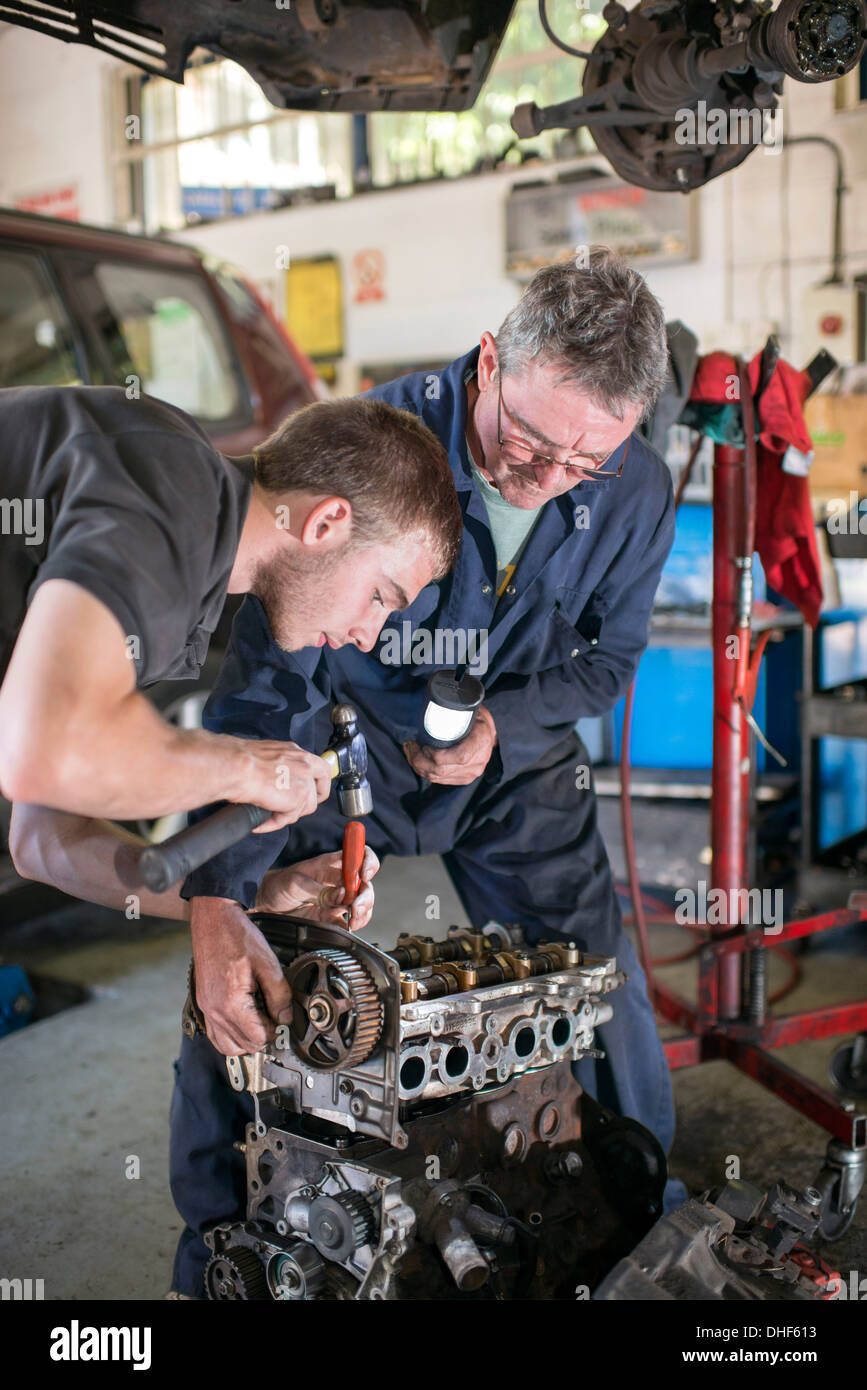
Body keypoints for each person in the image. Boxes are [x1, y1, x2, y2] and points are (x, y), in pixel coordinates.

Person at [169, 246, 686, 1299]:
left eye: (585, 462)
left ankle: (633, 1221)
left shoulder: (635, 488)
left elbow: (611, 659)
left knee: (595, 984)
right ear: (489, 362)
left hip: (510, 761)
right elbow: (271, 694)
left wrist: (505, 723)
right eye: (529, 440)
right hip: (342, 743)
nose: (545, 476)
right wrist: (219, 893)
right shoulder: (371, 450)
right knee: (247, 987)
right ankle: (220, 1253)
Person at [4, 386, 462, 927]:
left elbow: (47, 842)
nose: (368, 635)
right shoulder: (172, 491)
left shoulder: (184, 566)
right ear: (324, 524)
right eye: (381, 597)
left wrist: (258, 895)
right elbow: (38, 751)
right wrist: (243, 768)